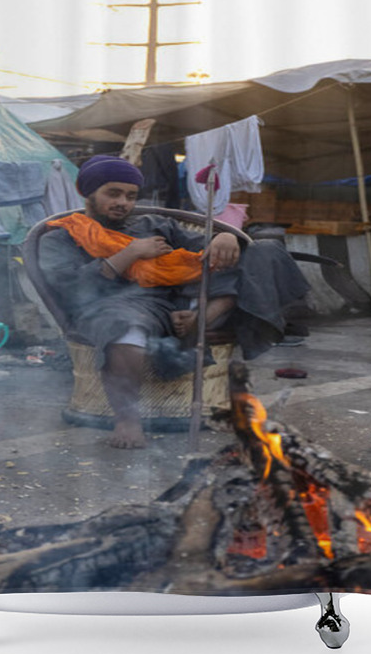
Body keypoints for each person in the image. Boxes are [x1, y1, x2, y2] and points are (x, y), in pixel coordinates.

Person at [38, 155, 310, 450]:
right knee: (123, 325)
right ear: (87, 192)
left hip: (177, 298)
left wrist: (225, 239)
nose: (123, 202)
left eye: (130, 195)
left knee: (264, 250)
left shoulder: (154, 224)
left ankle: (204, 315)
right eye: (112, 193)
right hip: (112, 305)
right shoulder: (62, 237)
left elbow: (203, 250)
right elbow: (68, 287)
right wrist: (128, 254)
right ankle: (128, 418)